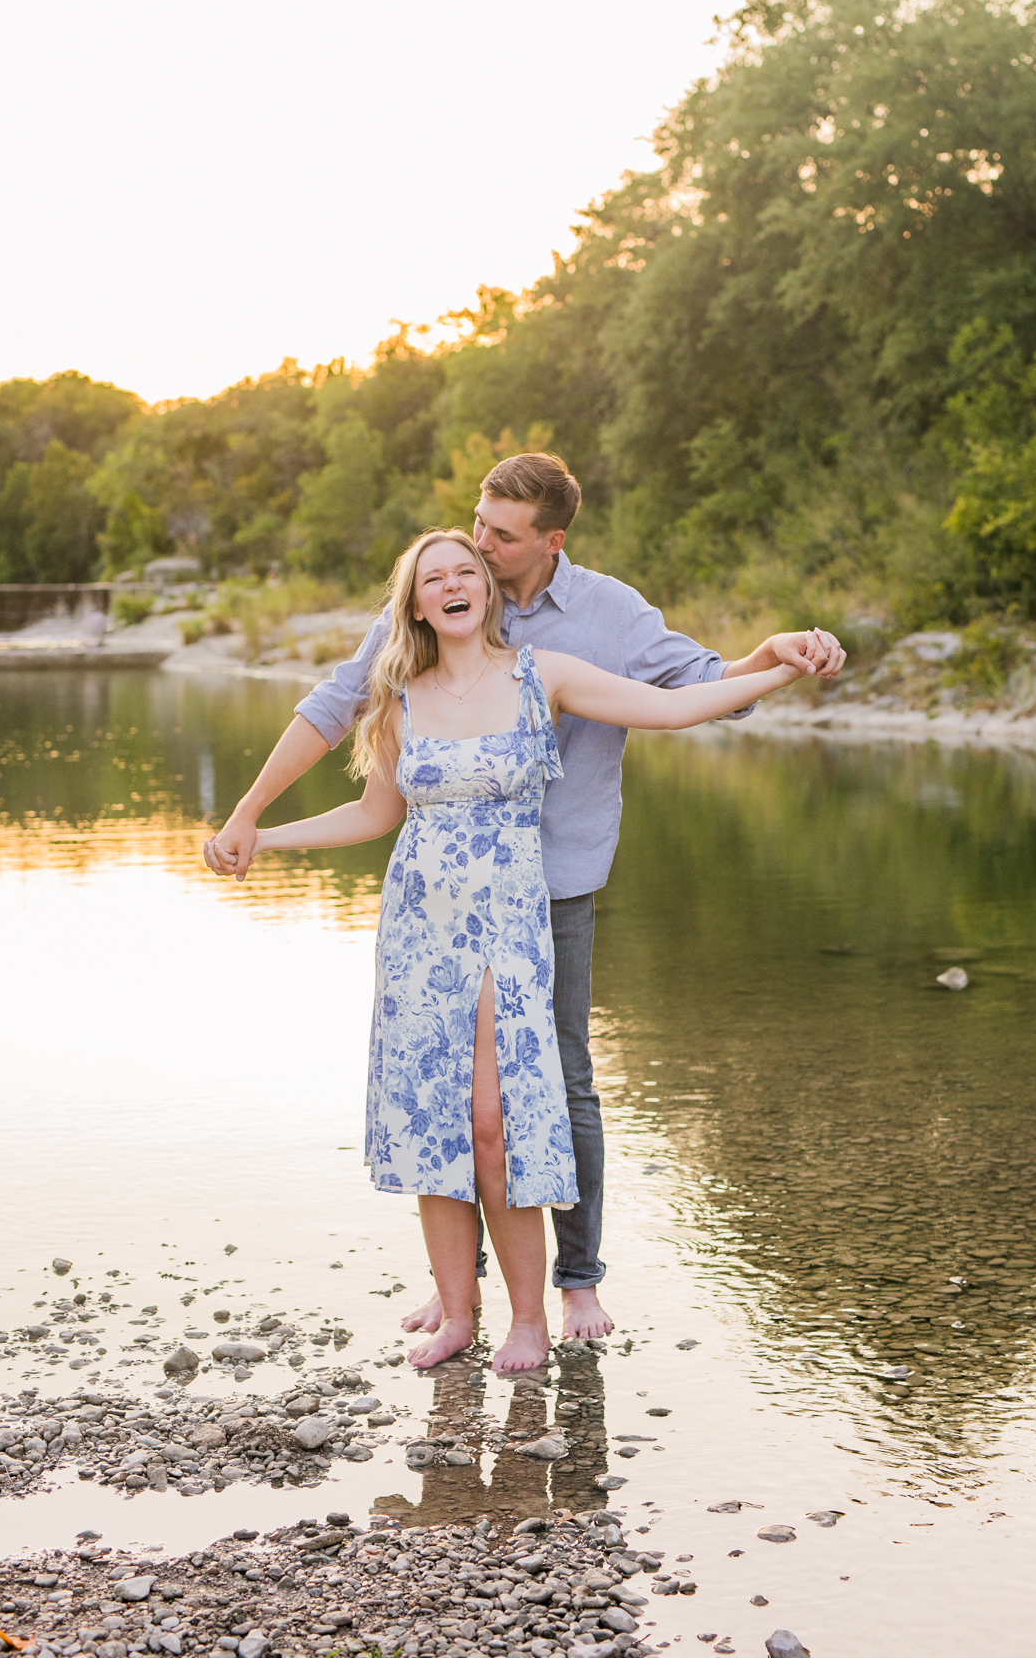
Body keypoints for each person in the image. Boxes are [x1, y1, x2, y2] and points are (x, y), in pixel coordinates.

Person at [204, 453, 846, 1344]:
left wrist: (773, 662)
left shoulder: (584, 630)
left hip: (546, 889)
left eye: (492, 544)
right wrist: (253, 821)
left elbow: (682, 696)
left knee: (549, 1091)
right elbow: (344, 723)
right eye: (464, 541)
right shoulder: (418, 651)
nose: (475, 551)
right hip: (429, 912)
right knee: (449, 1105)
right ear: (422, 595)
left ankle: (569, 1288)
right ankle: (458, 1293)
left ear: (548, 542)